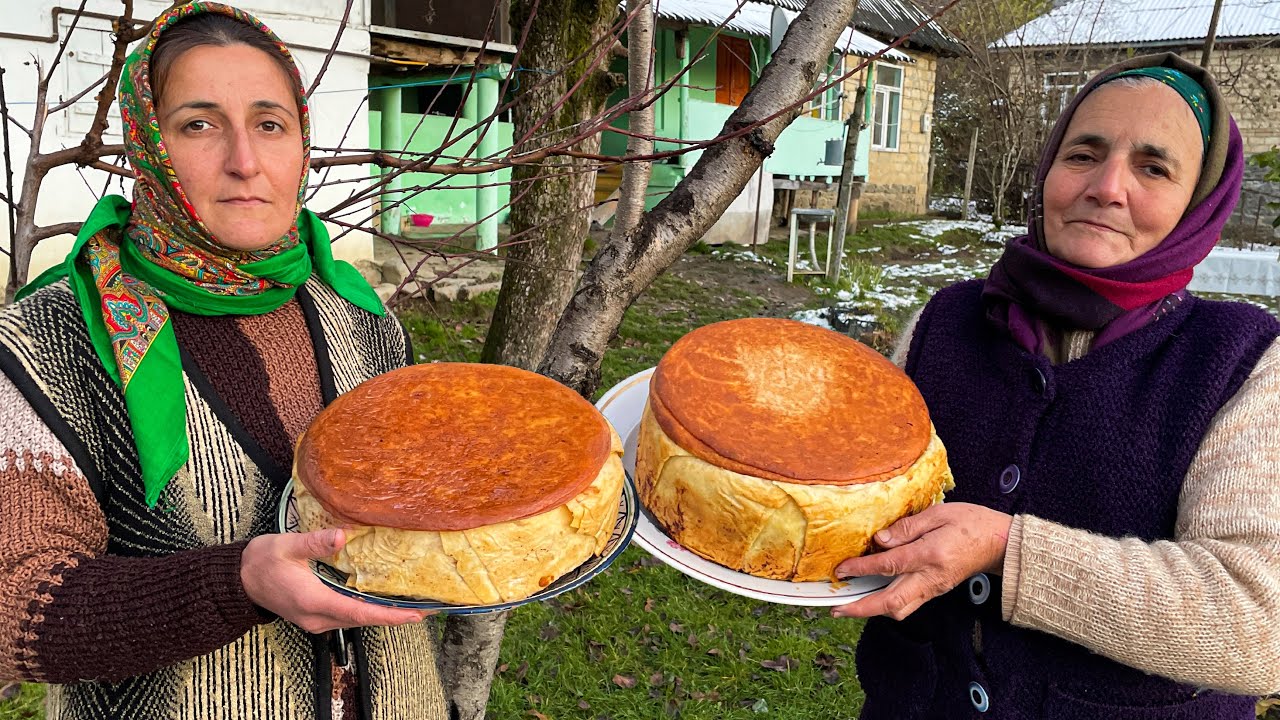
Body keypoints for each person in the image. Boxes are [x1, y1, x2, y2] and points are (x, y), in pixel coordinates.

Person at [0, 4, 448, 719]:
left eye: (270, 124)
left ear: (301, 142)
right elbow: (12, 604)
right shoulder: (52, 341)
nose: (244, 160)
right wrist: (235, 583)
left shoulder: (362, 317)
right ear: (145, 145)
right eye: (199, 124)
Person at [831, 53, 1280, 719]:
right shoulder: (943, 324)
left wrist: (1009, 553)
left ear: (1199, 204)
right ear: (1048, 171)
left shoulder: (1240, 364)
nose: (1108, 186)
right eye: (1083, 154)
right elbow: (855, 499)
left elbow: (1258, 625)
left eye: (1152, 167)